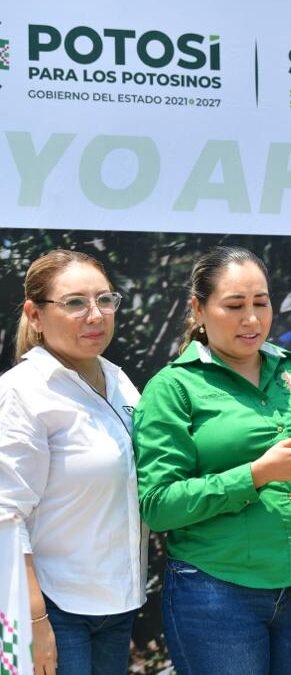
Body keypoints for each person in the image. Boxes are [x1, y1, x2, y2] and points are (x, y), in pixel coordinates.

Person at [132, 246, 291, 675]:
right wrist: (258, 474)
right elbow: (159, 505)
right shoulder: (173, 388)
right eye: (235, 306)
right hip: (216, 592)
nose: (252, 319)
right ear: (198, 309)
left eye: (261, 303)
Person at [0, 249, 145, 675]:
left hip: (118, 606)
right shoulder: (22, 391)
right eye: (75, 303)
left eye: (104, 299)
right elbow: (5, 515)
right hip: (55, 608)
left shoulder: (120, 381)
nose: (96, 315)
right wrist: (35, 622)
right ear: (36, 314)